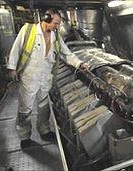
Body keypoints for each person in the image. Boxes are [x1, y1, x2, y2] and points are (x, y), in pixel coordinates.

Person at [7, 9, 85, 149]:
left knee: (44, 107)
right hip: (30, 76)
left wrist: (79, 64)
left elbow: (65, 53)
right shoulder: (28, 30)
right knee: (25, 109)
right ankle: (24, 135)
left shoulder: (55, 35)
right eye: (55, 23)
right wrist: (12, 68)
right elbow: (16, 48)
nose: (57, 26)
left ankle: (44, 130)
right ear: (46, 19)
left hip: (46, 76)